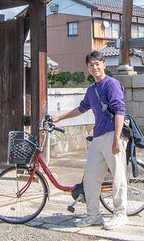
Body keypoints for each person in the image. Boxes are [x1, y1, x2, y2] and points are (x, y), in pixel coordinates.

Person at [52, 51, 128, 230]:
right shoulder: (91, 89)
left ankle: (120, 214)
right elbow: (82, 108)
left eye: (97, 64)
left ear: (104, 65)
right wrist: (59, 118)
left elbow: (120, 111)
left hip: (112, 134)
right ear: (87, 68)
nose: (94, 68)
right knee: (91, 178)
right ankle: (93, 215)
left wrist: (117, 138)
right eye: (91, 65)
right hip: (98, 136)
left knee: (118, 177)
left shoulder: (112, 84)